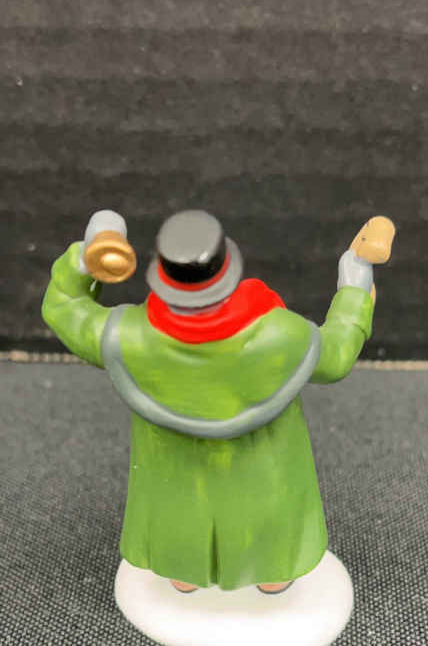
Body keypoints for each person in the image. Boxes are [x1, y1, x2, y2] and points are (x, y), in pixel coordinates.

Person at [42, 208, 392, 595]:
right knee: (273, 538)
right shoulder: (281, 334)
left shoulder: (126, 336)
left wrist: (86, 256)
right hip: (266, 481)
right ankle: (274, 579)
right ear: (227, 272)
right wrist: (354, 284)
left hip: (175, 485)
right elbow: (337, 354)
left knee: (180, 527)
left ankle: (184, 577)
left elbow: (63, 306)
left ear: (162, 277)